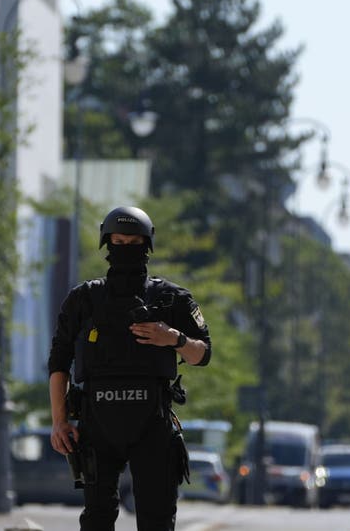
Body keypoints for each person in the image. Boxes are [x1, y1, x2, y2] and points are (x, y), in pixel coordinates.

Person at [47, 206, 213, 531]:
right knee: (96, 519)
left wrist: (172, 338)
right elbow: (58, 362)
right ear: (106, 244)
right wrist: (58, 421)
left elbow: (203, 354)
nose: (125, 250)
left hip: (152, 423)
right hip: (96, 422)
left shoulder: (170, 298)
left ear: (147, 245)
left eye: (133, 242)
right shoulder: (84, 300)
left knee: (157, 519)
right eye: (118, 243)